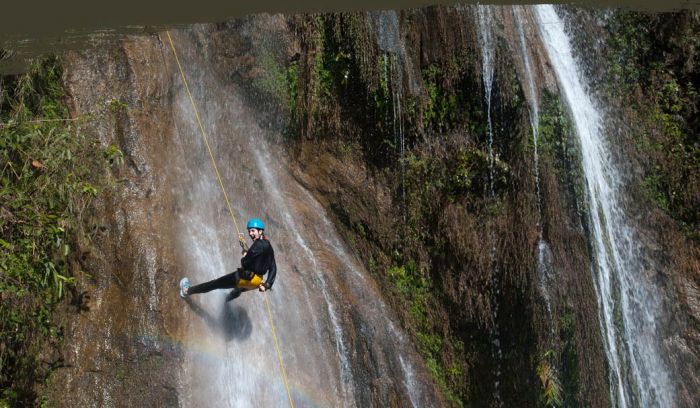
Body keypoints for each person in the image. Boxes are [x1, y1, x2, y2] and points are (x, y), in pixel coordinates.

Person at [179, 218, 277, 301]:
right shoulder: (269, 246)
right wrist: (267, 284)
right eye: (249, 231)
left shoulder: (257, 245)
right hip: (256, 283)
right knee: (238, 290)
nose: (250, 233)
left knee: (214, 284)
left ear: (260, 231)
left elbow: (245, 263)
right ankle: (226, 300)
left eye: (253, 231)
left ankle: (186, 291)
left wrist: (245, 255)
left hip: (244, 278)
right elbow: (273, 268)